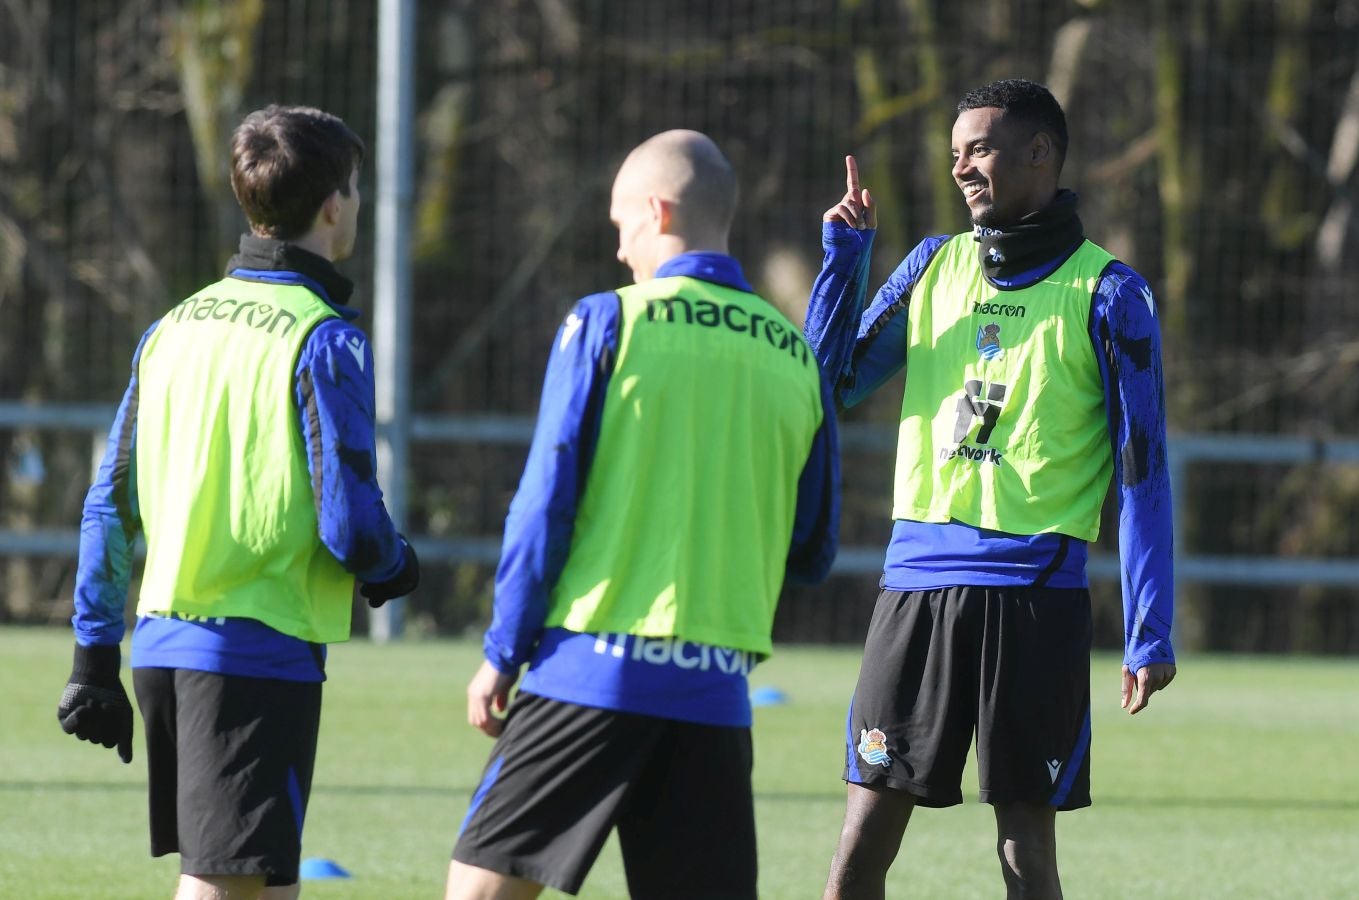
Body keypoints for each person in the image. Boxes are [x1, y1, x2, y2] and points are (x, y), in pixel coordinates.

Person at [445, 129, 841, 900]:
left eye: (622, 226)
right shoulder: (797, 358)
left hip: (594, 669)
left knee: (481, 892)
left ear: (657, 213)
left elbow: (545, 501)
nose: (622, 251)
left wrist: (503, 647)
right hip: (718, 692)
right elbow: (813, 548)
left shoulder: (607, 321)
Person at [807, 79, 1176, 899]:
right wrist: (843, 261)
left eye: (978, 149)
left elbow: (1143, 473)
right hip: (915, 590)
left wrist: (1150, 628)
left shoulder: (1112, 294)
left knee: (1025, 858)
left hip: (1033, 598)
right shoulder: (930, 265)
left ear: (1040, 153)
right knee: (858, 851)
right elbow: (822, 387)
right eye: (953, 156)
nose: (962, 168)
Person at [57, 104, 420, 900]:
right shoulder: (322, 335)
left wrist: (93, 657)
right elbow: (349, 517)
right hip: (253, 655)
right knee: (222, 886)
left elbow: (108, 505)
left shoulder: (174, 326)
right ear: (334, 204)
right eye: (355, 190)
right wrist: (393, 563)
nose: (356, 205)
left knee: (266, 882)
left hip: (164, 646)